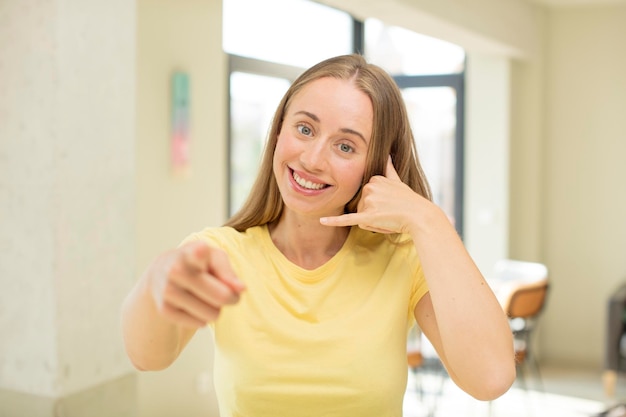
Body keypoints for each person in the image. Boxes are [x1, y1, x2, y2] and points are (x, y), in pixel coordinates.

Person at [121, 54, 516, 417]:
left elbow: (490, 378)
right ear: (278, 132)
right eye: (305, 128)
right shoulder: (220, 253)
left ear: (376, 166)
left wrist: (427, 220)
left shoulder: (402, 258)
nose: (312, 159)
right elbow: (147, 357)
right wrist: (156, 279)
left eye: (345, 146)